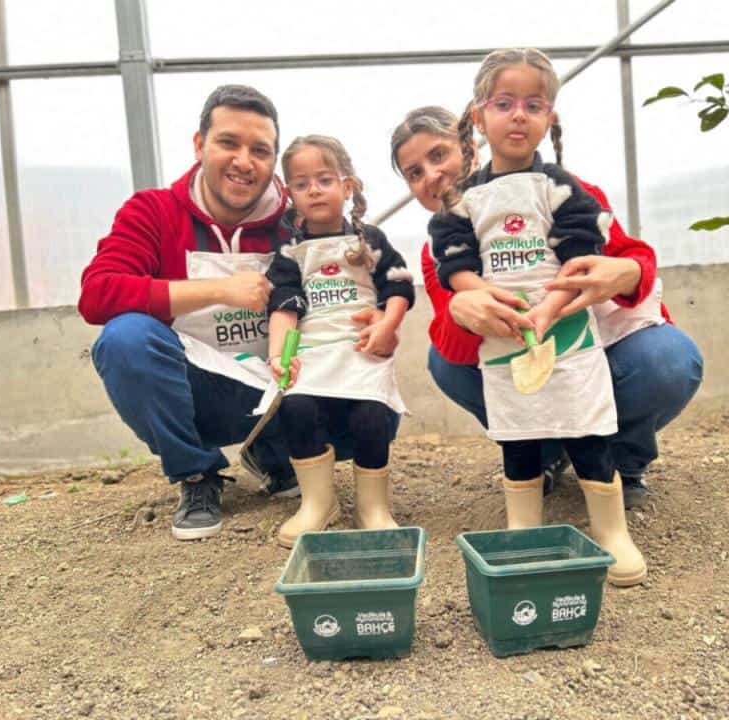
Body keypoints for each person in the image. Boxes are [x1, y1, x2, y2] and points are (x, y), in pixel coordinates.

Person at [78, 85, 390, 541]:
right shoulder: (153, 211)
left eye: (260, 150)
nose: (244, 161)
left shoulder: (299, 220)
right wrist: (218, 289)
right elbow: (98, 294)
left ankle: (277, 452)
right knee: (125, 340)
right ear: (199, 144)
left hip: (286, 382)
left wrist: (381, 315)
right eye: (229, 143)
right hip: (199, 387)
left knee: (378, 406)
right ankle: (197, 473)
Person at [392, 107, 702, 508]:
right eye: (414, 172)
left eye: (438, 155)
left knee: (667, 360)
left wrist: (626, 270)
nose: (431, 175)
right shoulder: (440, 252)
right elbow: (457, 350)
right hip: (523, 355)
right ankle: (542, 452)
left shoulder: (564, 191)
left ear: (469, 145)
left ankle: (624, 459)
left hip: (594, 349)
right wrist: (460, 310)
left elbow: (634, 256)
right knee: (444, 363)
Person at [428, 48, 647, 586]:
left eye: (534, 104)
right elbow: (454, 259)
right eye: (504, 103)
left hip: (566, 330)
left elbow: (579, 253)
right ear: (478, 116)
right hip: (502, 338)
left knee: (586, 427)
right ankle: (523, 529)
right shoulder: (462, 200)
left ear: (550, 117)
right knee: (517, 434)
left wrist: (547, 310)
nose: (519, 115)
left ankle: (612, 531)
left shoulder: (563, 188)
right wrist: (483, 297)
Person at [260, 135, 414, 548]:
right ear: (289, 192)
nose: (313, 190)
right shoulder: (290, 252)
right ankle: (317, 503)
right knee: (296, 407)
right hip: (313, 354)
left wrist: (388, 323)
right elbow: (284, 307)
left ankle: (373, 507)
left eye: (324, 179)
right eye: (301, 182)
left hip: (362, 351)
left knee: (370, 415)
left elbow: (399, 287)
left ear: (347, 186)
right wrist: (279, 355)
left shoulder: (371, 241)